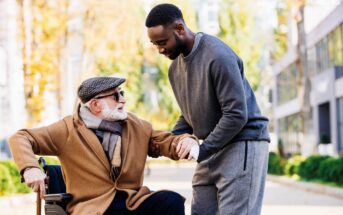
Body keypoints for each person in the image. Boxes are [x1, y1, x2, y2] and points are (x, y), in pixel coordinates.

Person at [145, 4, 270, 215]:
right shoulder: (174, 69)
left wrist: (202, 149)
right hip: (210, 148)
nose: (160, 50)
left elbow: (236, 114)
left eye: (162, 42)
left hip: (242, 143)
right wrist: (168, 141)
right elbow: (188, 116)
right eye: (154, 44)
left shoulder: (218, 55)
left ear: (180, 29)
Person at [9, 76, 198, 215]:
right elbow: (21, 137)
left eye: (122, 93)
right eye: (116, 96)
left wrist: (185, 141)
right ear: (95, 105)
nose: (123, 100)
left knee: (170, 201)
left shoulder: (136, 126)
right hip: (93, 208)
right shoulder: (67, 130)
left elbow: (166, 141)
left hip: (131, 201)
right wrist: (29, 168)